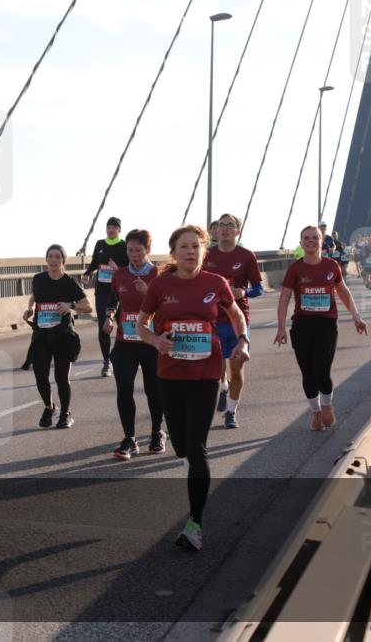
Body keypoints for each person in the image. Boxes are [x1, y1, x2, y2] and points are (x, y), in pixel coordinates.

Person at [136, 225, 250, 551]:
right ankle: (191, 476)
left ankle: (194, 524)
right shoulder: (160, 285)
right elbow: (140, 325)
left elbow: (236, 314)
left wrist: (242, 339)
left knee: (197, 448)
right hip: (170, 373)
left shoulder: (216, 284)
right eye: (183, 247)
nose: (190, 252)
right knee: (182, 447)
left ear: (203, 251)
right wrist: (156, 339)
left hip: (206, 374)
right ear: (174, 253)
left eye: (195, 247)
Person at [274, 225, 368, 431]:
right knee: (307, 373)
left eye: (314, 237)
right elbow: (284, 300)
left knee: (322, 371)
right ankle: (315, 412)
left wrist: (356, 317)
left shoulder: (331, 266)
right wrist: (281, 327)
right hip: (302, 326)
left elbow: (343, 292)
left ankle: (327, 406)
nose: (310, 241)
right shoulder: (295, 269)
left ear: (321, 240)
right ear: (300, 243)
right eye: (306, 238)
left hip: (326, 325)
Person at [102, 229, 164, 459]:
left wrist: (149, 292)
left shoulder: (159, 274)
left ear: (148, 249)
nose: (133, 254)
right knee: (124, 389)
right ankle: (129, 438)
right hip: (125, 341)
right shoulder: (120, 275)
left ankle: (157, 432)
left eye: (138, 250)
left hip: (151, 341)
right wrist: (109, 316)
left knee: (153, 390)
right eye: (129, 250)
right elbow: (113, 300)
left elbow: (168, 307)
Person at [203, 213, 263, 429]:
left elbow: (259, 288)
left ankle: (231, 411)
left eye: (230, 225)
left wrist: (243, 292)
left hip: (237, 320)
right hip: (211, 320)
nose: (225, 229)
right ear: (216, 231)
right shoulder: (206, 255)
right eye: (221, 225)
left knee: (236, 369)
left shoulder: (246, 256)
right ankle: (222, 387)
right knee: (215, 367)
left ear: (237, 231)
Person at [24, 244, 93, 429]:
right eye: (50, 256)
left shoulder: (69, 283)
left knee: (61, 377)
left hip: (62, 335)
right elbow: (34, 296)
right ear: (46, 259)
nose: (53, 260)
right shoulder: (38, 279)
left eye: (57, 256)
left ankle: (65, 413)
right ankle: (49, 407)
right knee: (40, 375)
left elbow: (88, 307)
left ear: (63, 260)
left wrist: (70, 305)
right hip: (41, 335)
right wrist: (29, 309)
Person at [82, 217, 128, 377]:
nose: (111, 229)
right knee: (103, 326)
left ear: (119, 230)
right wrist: (87, 273)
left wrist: (119, 269)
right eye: (108, 227)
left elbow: (131, 268)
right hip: (102, 291)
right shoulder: (100, 244)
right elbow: (95, 262)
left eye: (114, 227)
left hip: (121, 292)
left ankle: (118, 355)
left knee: (123, 326)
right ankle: (106, 362)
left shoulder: (124, 246)